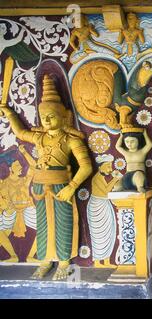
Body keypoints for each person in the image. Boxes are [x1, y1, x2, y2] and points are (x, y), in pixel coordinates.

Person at [0, 74, 93, 280]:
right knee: (43, 224)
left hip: (62, 186)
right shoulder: (39, 137)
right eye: (44, 117)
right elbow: (20, 132)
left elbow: (86, 166)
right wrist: (8, 113)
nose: (47, 120)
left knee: (63, 223)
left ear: (65, 117)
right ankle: (44, 260)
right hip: (40, 187)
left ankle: (63, 262)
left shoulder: (71, 140)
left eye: (51, 116)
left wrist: (72, 186)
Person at [87, 154, 121, 268]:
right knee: (98, 235)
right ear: (100, 167)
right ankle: (97, 262)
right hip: (97, 206)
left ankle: (106, 261)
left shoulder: (101, 177)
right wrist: (115, 179)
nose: (110, 169)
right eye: (107, 166)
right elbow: (106, 191)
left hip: (105, 204)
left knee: (109, 232)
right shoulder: (97, 178)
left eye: (110, 166)